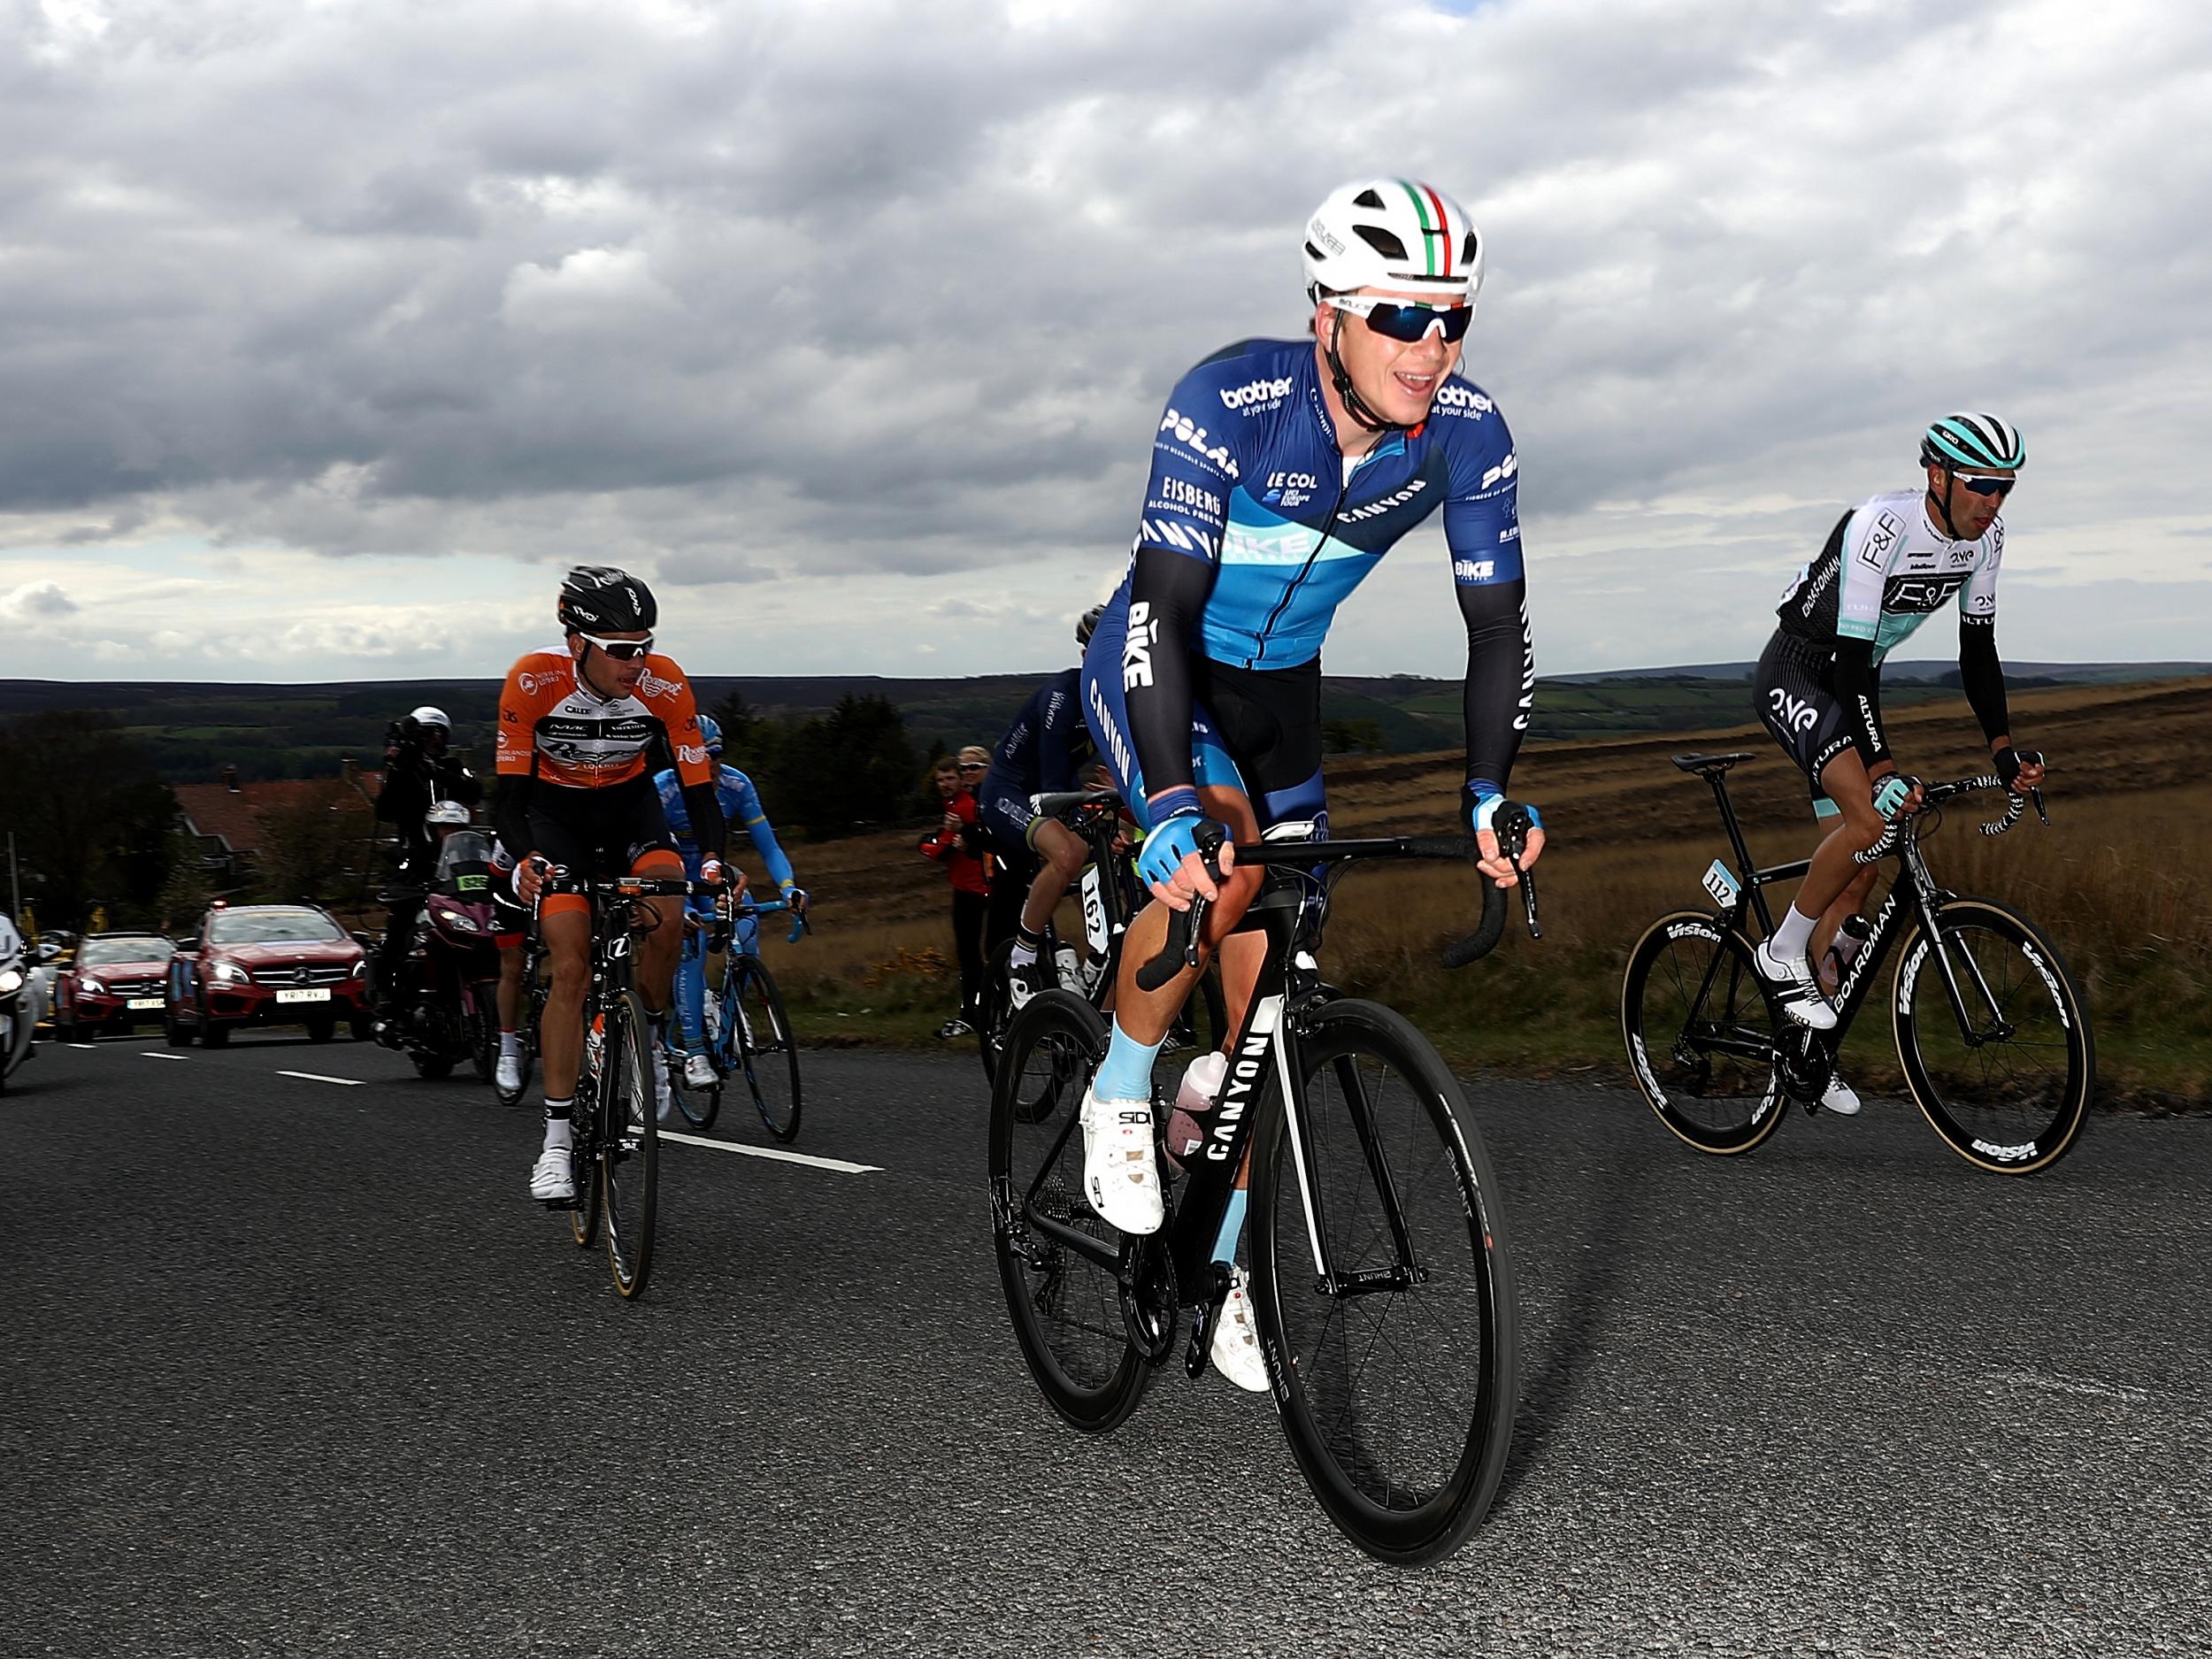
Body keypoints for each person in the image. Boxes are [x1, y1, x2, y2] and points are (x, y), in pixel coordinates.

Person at [1078, 177, 1546, 1390]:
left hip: (1286, 698)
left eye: (1455, 319)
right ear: (1329, 311)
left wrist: (1489, 793)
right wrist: (1173, 802)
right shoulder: (1227, 404)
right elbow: (1165, 610)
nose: (1431, 346)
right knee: (1216, 865)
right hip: (1166, 669)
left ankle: (1237, 1267)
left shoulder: (1469, 431)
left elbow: (1497, 630)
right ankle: (1117, 1086)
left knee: (1267, 1022)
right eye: (1402, 315)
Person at [1750, 414, 2045, 1112]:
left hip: (1856, 684)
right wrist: (1879, 766)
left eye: (2005, 489)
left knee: (1860, 874)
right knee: (1866, 816)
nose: (1992, 504)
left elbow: (1979, 653)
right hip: (1800, 672)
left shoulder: (1987, 540)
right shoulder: (1880, 526)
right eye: (1981, 486)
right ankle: (1780, 951)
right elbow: (1849, 656)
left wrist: (2002, 750)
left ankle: (1808, 1050)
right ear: (1938, 477)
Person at [494, 565, 728, 1202]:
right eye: (622, 650)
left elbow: (698, 789)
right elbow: (509, 802)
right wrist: (526, 858)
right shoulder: (533, 679)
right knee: (569, 964)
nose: (636, 662)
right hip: (556, 817)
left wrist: (710, 856)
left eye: (644, 645)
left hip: (629, 811)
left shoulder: (664, 683)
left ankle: (650, 1039)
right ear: (577, 643)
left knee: (670, 906)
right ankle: (557, 1143)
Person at [654, 714, 798, 1094]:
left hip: (716, 873)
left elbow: (768, 845)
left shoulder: (737, 784)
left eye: (716, 753)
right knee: (692, 944)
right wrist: (679, 908)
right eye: (701, 755)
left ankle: (728, 1004)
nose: (711, 762)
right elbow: (657, 857)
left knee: (747, 930)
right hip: (673, 873)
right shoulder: (663, 791)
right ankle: (696, 1052)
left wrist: (789, 889)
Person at [979, 607, 1102, 1010]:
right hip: (1009, 793)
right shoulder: (1062, 695)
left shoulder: (1114, 701)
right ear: (1085, 654)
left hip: (1055, 792)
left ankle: (1099, 971)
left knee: (1106, 862)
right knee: (1069, 852)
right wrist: (1080, 815)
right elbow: (1053, 778)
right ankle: (1024, 955)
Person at [372, 705, 482, 1025]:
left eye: (439, 734)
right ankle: (388, 996)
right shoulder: (403, 771)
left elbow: (474, 790)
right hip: (416, 860)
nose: (434, 740)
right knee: (402, 922)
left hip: (456, 861)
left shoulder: (452, 767)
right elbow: (384, 811)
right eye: (427, 734)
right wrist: (397, 767)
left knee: (481, 916)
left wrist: (436, 769)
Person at [917, 754, 990, 1038]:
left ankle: (973, 1015)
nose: (945, 784)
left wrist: (928, 843)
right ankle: (981, 1013)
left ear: (961, 780)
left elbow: (938, 850)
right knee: (974, 955)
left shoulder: (963, 807)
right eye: (940, 779)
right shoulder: (954, 805)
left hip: (973, 890)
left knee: (971, 956)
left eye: (950, 778)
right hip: (968, 887)